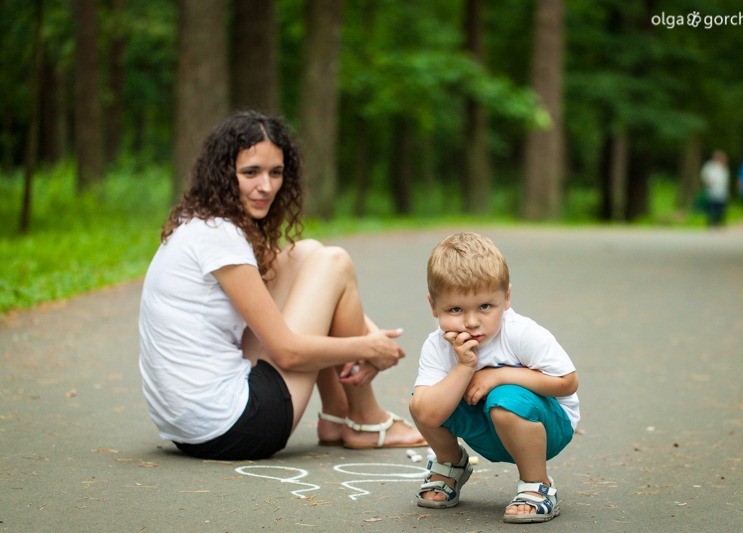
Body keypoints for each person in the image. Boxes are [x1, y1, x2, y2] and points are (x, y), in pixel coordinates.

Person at [139, 111, 425, 460]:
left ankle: (337, 415)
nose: (266, 187)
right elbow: (288, 351)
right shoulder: (221, 238)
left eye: (275, 173)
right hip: (238, 423)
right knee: (334, 262)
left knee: (308, 253)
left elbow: (304, 284)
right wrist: (366, 348)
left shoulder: (201, 224)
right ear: (223, 175)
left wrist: (371, 337)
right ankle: (366, 419)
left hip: (191, 426)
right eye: (250, 173)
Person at [409, 232, 579, 524]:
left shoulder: (521, 333)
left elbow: (566, 381)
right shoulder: (438, 344)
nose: (472, 321)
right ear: (433, 305)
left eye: (485, 306)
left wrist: (498, 375)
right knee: (422, 401)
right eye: (456, 309)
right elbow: (426, 412)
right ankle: (451, 465)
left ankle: (537, 485)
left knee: (505, 398)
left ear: (507, 298)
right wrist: (464, 367)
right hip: (489, 429)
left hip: (547, 427)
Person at [700, 150, 729, 228]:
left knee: (721, 208)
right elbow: (704, 176)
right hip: (712, 191)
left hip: (721, 192)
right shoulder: (709, 166)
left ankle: (718, 222)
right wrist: (708, 182)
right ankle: (711, 222)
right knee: (711, 208)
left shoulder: (723, 168)